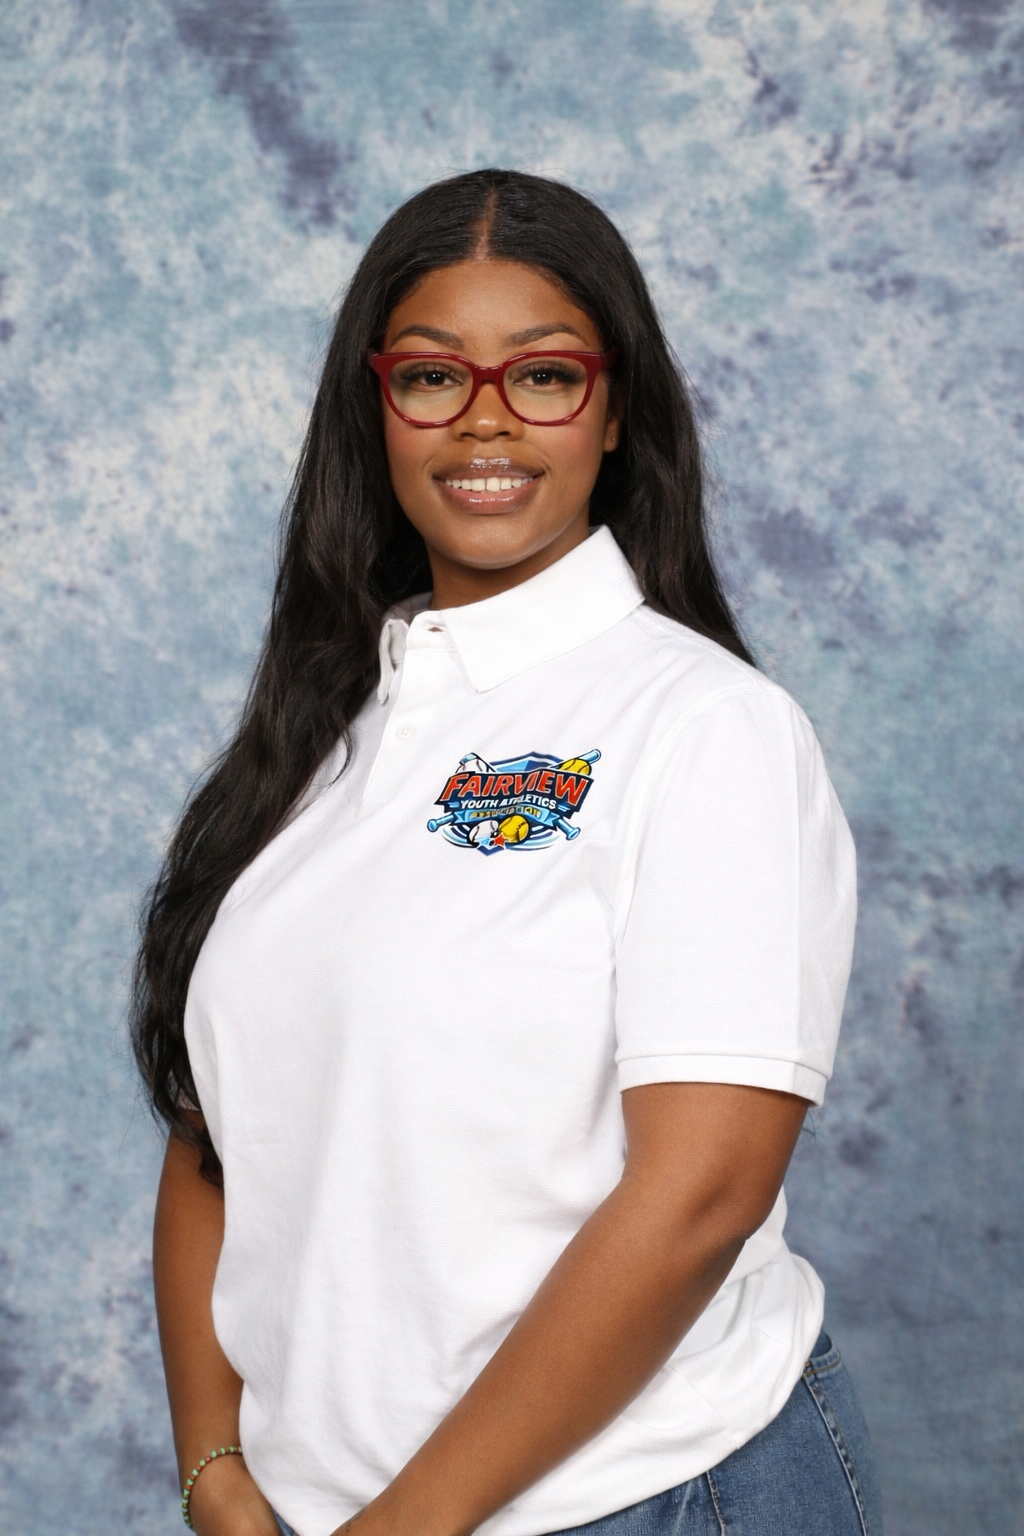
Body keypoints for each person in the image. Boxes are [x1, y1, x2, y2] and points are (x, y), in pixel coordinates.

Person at [132, 169, 882, 1536]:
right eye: (432, 376)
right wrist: (215, 1469)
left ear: (615, 410)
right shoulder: (321, 741)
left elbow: (703, 1195)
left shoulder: (704, 726)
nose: (485, 418)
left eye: (543, 375)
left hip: (651, 1496)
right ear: (377, 410)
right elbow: (215, 1132)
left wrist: (399, 1530)